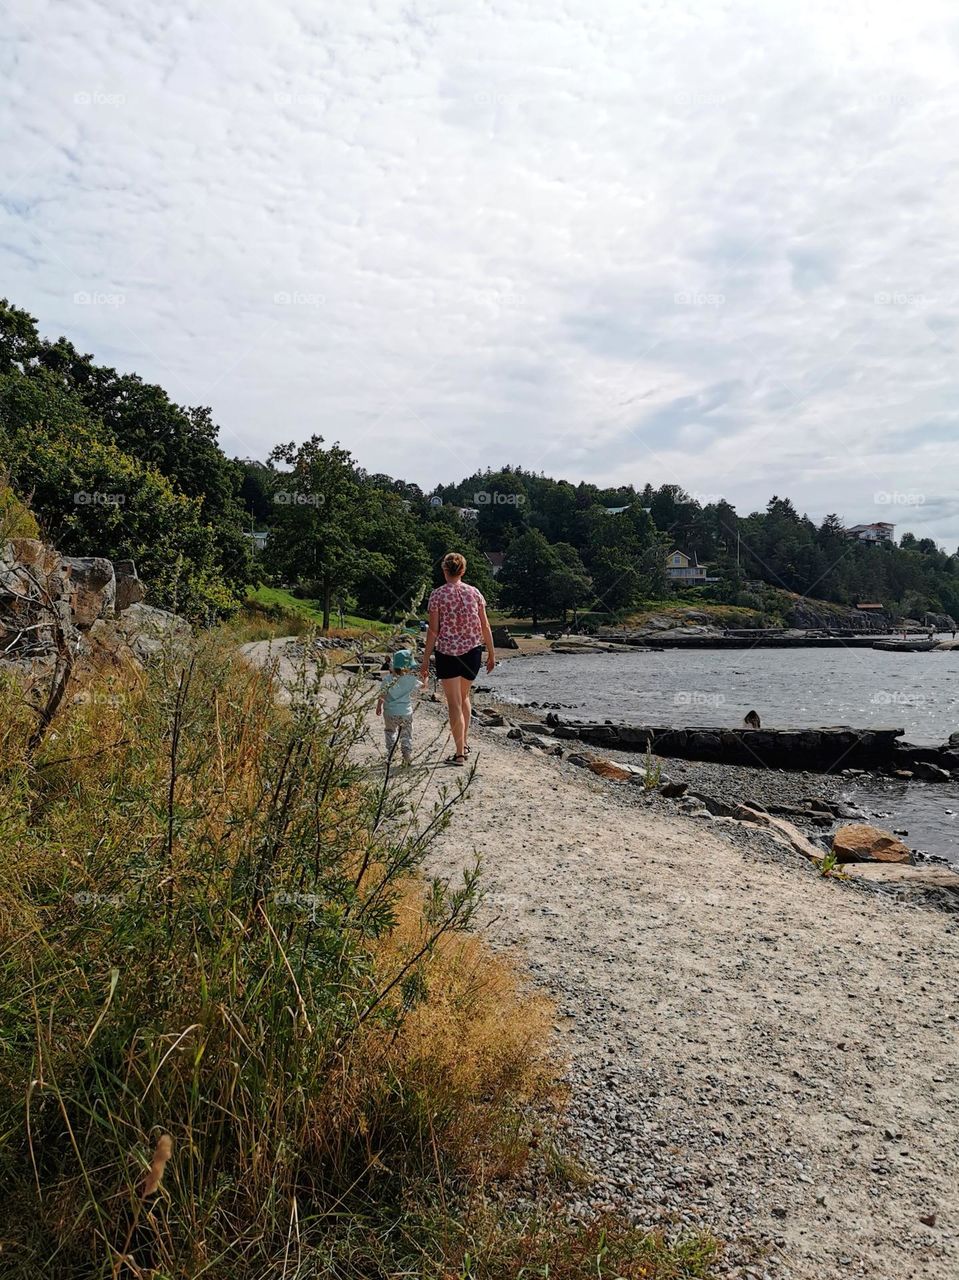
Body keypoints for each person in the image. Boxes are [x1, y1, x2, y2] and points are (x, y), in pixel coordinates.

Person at [420, 552, 496, 765]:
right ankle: (463, 744)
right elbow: (485, 625)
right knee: (464, 698)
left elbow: (433, 631)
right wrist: (491, 652)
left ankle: (460, 754)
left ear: (445, 570)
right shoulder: (475, 593)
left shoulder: (437, 595)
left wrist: (425, 659)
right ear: (463, 570)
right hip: (473, 653)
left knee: (454, 703)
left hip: (448, 653)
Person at [375, 648, 423, 766]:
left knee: (390, 731)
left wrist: (379, 707)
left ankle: (391, 754)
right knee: (406, 733)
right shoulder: (411, 680)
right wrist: (425, 677)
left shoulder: (387, 679)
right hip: (406, 712)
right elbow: (424, 687)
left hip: (390, 712)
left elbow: (382, 694)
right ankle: (406, 755)